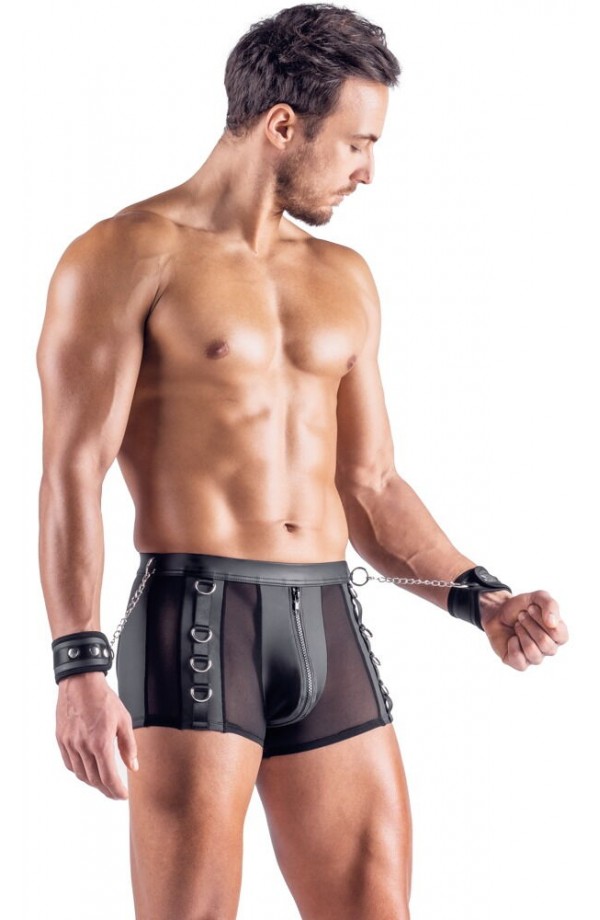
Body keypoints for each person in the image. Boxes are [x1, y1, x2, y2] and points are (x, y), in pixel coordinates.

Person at [36, 4, 569, 919]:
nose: (369, 171)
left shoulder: (343, 277)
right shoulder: (123, 255)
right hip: (197, 623)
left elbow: (371, 486)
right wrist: (78, 668)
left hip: (327, 617)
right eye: (358, 144)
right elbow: (71, 472)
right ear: (283, 125)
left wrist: (481, 596)